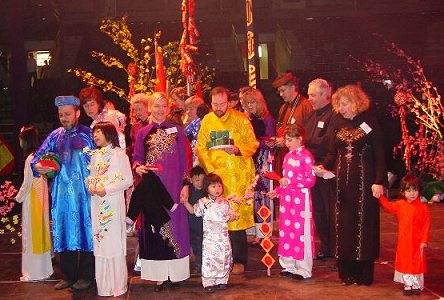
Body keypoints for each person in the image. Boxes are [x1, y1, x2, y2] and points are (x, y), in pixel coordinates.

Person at [315, 84, 387, 286]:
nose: (341, 108)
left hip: (364, 184)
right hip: (341, 185)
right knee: (342, 227)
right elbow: (332, 152)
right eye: (339, 104)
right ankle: (346, 273)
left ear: (356, 103)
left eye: (344, 104)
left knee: (362, 227)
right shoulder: (337, 121)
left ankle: (362, 276)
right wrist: (322, 167)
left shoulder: (369, 121)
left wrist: (379, 181)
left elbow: (380, 154)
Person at [31, 96, 95, 290]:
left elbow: (103, 158)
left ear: (77, 113)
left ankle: (87, 275)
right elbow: (37, 158)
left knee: (86, 232)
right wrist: (38, 166)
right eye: (61, 115)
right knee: (64, 230)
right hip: (61, 194)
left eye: (67, 114)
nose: (64, 118)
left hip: (85, 193)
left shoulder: (89, 134)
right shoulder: (55, 135)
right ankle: (69, 275)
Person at [129, 92, 191, 292]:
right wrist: (137, 167)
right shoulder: (142, 132)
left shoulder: (178, 132)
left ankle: (175, 275)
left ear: (168, 108)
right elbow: (137, 157)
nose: (160, 109)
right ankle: (159, 276)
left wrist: (185, 184)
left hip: (173, 187)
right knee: (155, 228)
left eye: (163, 106)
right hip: (152, 188)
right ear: (150, 108)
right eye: (156, 106)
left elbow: (185, 160)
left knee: (176, 227)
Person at [196, 86, 259, 274]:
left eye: (222, 104)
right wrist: (211, 172)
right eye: (215, 104)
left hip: (236, 176)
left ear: (229, 102)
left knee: (235, 219)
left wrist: (238, 150)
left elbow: (252, 142)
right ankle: (216, 259)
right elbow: (201, 147)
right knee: (215, 218)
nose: (219, 107)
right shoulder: (207, 120)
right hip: (215, 177)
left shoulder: (240, 119)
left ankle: (240, 260)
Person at [86, 122, 133, 297]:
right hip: (97, 203)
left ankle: (117, 285)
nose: (95, 136)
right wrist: (91, 186)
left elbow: (128, 180)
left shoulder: (120, 155)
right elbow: (91, 177)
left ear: (109, 133)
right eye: (94, 133)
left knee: (113, 243)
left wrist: (108, 189)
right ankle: (104, 286)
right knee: (100, 241)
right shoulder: (95, 155)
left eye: (98, 132)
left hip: (112, 203)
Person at [268, 124, 316, 280]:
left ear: (299, 139)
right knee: (286, 231)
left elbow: (310, 180)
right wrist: (278, 191)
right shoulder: (288, 156)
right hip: (287, 200)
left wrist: (290, 181)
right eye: (286, 140)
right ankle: (288, 265)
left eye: (290, 140)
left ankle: (303, 268)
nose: (287, 143)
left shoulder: (306, 156)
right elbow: (284, 181)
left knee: (301, 233)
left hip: (300, 200)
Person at [304, 78, 341, 260]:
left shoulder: (334, 115)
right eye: (309, 94)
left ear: (325, 95)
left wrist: (309, 142)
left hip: (326, 169)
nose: (309, 98)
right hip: (312, 169)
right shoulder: (311, 115)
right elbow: (306, 137)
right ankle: (325, 246)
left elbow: (327, 141)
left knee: (330, 210)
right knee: (318, 210)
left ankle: (335, 248)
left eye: (313, 95)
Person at [182, 173, 237, 293]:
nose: (217, 189)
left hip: (223, 237)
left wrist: (233, 216)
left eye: (219, 186)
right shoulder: (203, 202)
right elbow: (194, 212)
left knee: (224, 257)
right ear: (206, 188)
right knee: (210, 259)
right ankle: (209, 281)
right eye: (213, 186)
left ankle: (222, 280)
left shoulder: (225, 202)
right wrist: (186, 203)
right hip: (210, 238)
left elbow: (230, 215)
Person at [378, 174, 430, 296]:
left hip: (418, 242)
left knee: (417, 264)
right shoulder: (400, 205)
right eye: (408, 190)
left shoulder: (423, 208)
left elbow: (426, 226)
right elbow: (388, 207)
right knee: (406, 263)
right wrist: (380, 196)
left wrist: (424, 241)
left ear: (419, 191)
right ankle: (408, 285)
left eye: (415, 190)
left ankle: (417, 285)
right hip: (405, 242)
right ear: (402, 192)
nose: (412, 193)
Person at [15, 126, 53, 282]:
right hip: (41, 198)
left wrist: (17, 197)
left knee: (32, 234)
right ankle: (44, 269)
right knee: (41, 233)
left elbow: (27, 182)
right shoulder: (39, 156)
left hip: (32, 200)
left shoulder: (31, 159)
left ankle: (34, 272)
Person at [239, 87, 276, 244]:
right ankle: (252, 230)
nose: (250, 105)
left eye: (253, 102)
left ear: (259, 102)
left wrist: (253, 143)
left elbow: (270, 143)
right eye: (247, 103)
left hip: (262, 160)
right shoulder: (244, 118)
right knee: (250, 195)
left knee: (263, 195)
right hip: (249, 160)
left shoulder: (267, 118)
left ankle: (264, 231)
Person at [267, 72, 312, 177]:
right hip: (283, 156)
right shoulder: (283, 107)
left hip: (298, 159)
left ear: (293, 87)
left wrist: (287, 140)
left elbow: (309, 134)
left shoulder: (306, 105)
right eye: (279, 91)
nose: (281, 94)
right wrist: (275, 141)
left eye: (283, 90)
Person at [184, 165, 206, 273]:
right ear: (191, 179)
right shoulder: (189, 190)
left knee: (201, 244)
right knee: (194, 243)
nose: (199, 183)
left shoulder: (205, 192)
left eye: (202, 180)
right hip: (191, 223)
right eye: (197, 180)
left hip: (202, 223)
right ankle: (197, 263)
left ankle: (200, 265)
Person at [127, 92, 151, 159]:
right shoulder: (135, 126)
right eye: (135, 110)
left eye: (140, 109)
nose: (137, 112)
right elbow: (134, 146)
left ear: (147, 108)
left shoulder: (154, 123)